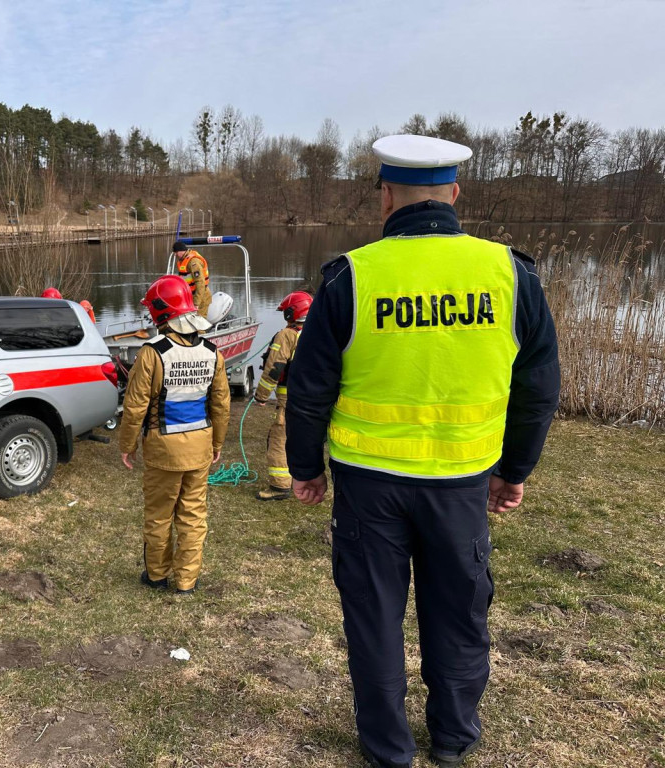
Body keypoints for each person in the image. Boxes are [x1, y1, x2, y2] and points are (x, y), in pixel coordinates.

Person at [285, 135, 560, 768]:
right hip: (462, 481)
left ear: (386, 197)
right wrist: (514, 470)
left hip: (368, 484)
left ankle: (388, 750)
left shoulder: (352, 276)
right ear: (455, 193)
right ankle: (455, 738)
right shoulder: (509, 273)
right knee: (459, 613)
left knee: (376, 620)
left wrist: (305, 468)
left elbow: (309, 389)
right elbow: (539, 387)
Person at [119, 274, 231, 594]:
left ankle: (157, 575)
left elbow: (136, 405)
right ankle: (186, 581)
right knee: (193, 517)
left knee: (158, 515)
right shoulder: (212, 351)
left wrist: (127, 445)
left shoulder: (152, 352)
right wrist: (217, 443)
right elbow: (221, 404)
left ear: (159, 313)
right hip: (200, 446)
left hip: (162, 449)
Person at [253, 290, 312, 501]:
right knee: (305, 441)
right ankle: (306, 480)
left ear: (291, 313)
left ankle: (279, 486)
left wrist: (261, 395)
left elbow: (275, 367)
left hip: (290, 399)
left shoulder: (287, 335)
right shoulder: (319, 331)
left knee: (279, 441)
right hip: (314, 399)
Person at [173, 240, 211, 319]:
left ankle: (201, 332)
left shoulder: (193, 262)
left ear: (181, 251)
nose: (175, 254)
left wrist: (197, 303)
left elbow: (200, 283)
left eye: (176, 252)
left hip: (201, 297)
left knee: (200, 322)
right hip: (191, 296)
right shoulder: (183, 261)